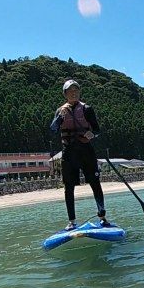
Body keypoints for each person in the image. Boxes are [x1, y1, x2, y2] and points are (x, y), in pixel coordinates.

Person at [50, 79, 109, 230]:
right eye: (70, 91)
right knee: (68, 187)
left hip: (86, 150)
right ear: (65, 94)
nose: (74, 93)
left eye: (76, 90)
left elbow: (97, 129)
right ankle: (72, 221)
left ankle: (102, 217)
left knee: (95, 183)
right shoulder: (60, 111)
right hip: (69, 152)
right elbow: (53, 129)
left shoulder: (87, 109)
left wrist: (91, 135)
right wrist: (59, 118)